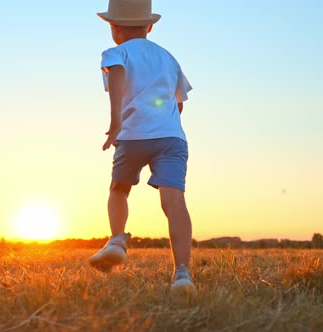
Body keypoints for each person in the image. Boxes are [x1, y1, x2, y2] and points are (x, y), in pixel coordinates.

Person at [89, 0, 197, 301]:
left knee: (119, 189)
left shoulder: (116, 53)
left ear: (113, 27)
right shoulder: (168, 58)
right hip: (172, 139)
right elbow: (178, 103)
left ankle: (117, 241)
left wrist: (115, 121)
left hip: (133, 136)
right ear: (149, 26)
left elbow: (119, 75)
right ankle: (182, 274)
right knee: (175, 204)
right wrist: (165, 126)